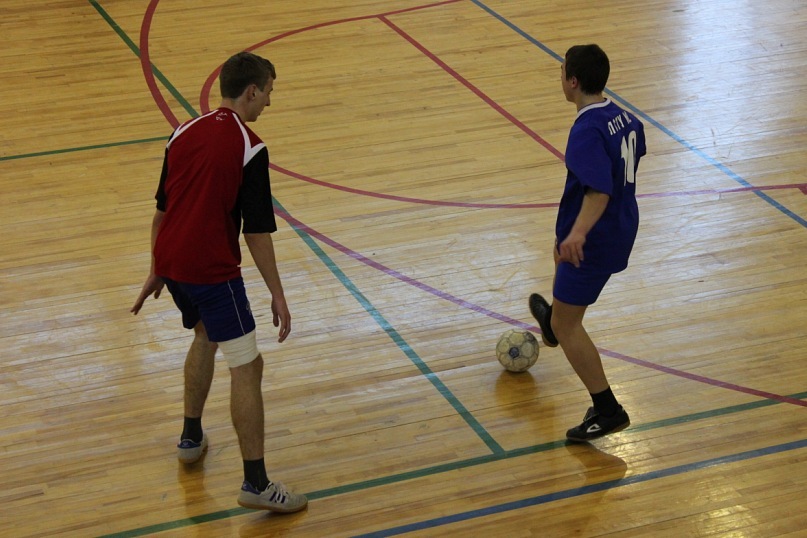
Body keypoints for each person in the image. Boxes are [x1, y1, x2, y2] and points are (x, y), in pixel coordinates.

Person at [131, 51, 307, 513]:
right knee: (247, 366)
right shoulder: (250, 147)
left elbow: (162, 210)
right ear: (251, 91)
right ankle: (256, 483)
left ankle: (191, 437)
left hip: (173, 262)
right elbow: (256, 232)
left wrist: (156, 267)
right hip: (211, 271)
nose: (269, 102)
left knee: (205, 335)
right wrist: (278, 293)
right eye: (268, 92)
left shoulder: (182, 131)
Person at [529, 44, 646, 442]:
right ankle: (552, 322)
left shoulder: (586, 131)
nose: (560, 76)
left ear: (573, 81)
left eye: (562, 71)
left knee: (569, 325)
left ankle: (608, 409)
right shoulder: (625, 117)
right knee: (558, 249)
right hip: (621, 224)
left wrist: (578, 232)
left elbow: (599, 192)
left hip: (596, 237)